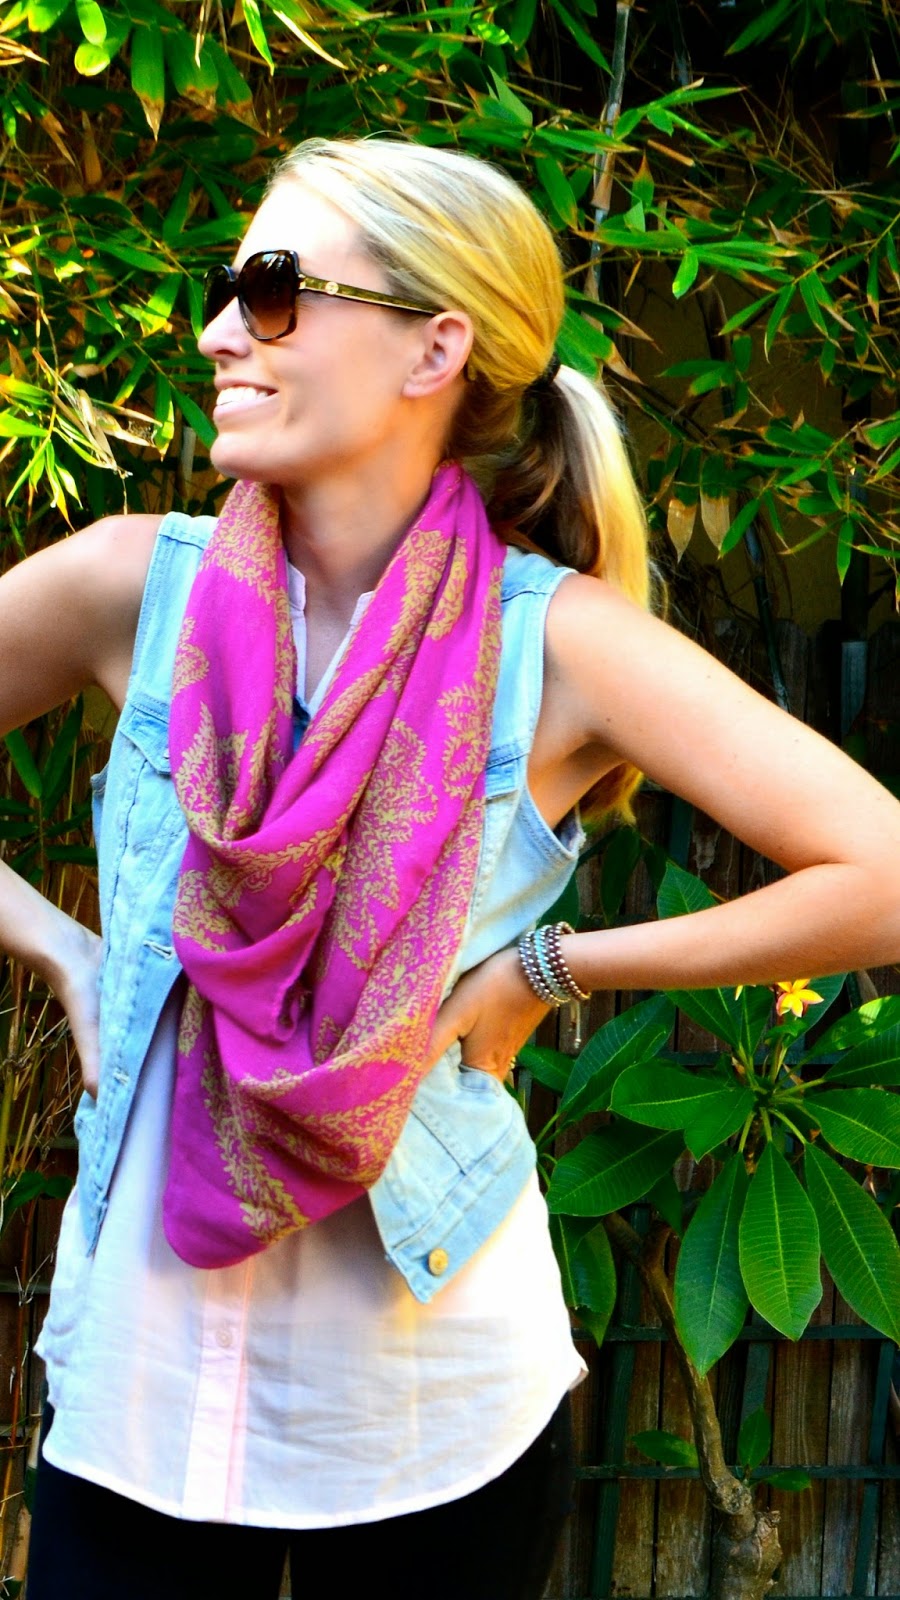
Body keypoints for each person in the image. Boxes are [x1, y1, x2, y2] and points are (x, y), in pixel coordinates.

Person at [3, 136, 900, 1600]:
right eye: (230, 290)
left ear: (437, 346)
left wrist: (550, 965)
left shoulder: (555, 645)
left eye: (275, 290)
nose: (220, 331)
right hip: (138, 1395)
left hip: (428, 1406)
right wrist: (65, 950)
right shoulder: (130, 587)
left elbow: (883, 872)